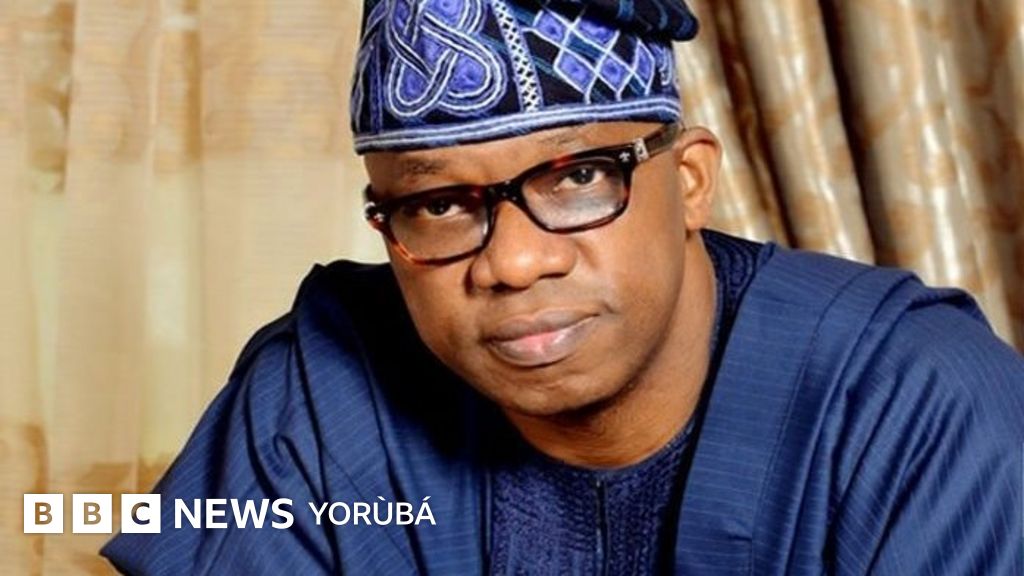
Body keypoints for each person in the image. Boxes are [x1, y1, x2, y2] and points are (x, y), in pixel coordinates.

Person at [102, 0, 1024, 574]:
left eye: (578, 177)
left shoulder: (917, 402)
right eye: (438, 204)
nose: (513, 262)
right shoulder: (320, 393)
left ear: (690, 181)